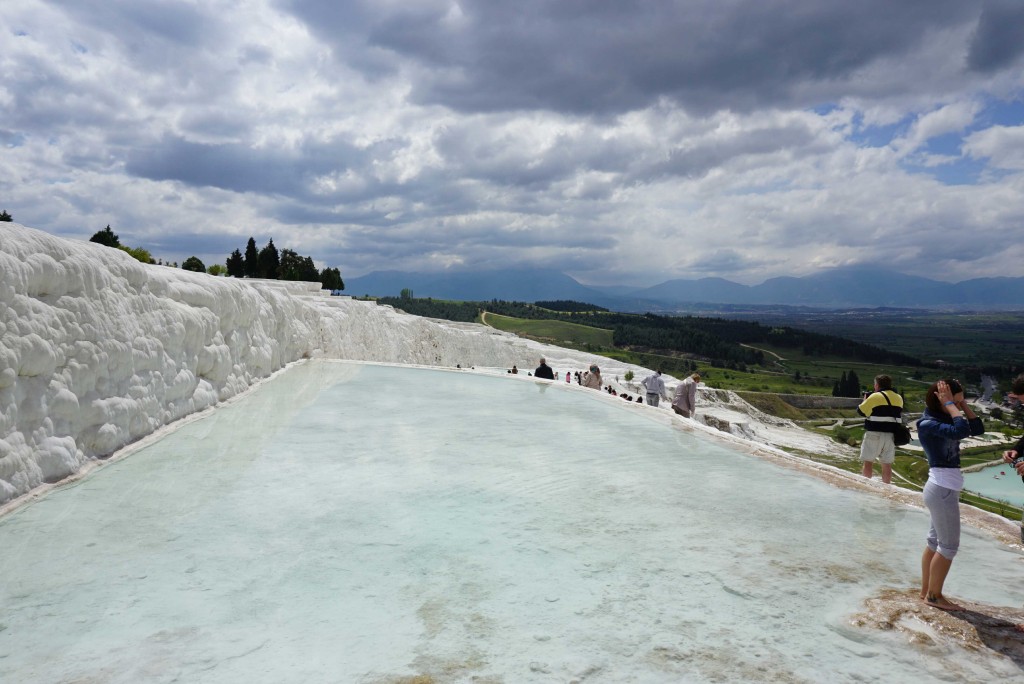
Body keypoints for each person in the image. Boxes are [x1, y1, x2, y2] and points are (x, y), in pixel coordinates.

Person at [917, 379, 984, 611]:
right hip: (942, 489)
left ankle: (926, 591)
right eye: (954, 401)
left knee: (935, 542)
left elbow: (977, 428)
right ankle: (934, 597)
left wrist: (961, 404)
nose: (957, 404)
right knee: (949, 546)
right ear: (941, 400)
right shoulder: (928, 423)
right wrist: (950, 402)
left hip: (943, 489)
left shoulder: (943, 418)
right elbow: (962, 430)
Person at [857, 374, 904, 484]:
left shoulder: (875, 396)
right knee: (887, 465)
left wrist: (865, 400)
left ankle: (865, 485)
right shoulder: (899, 398)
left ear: (877, 385)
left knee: (868, 462)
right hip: (891, 436)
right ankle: (886, 489)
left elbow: (861, 411)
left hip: (874, 434)